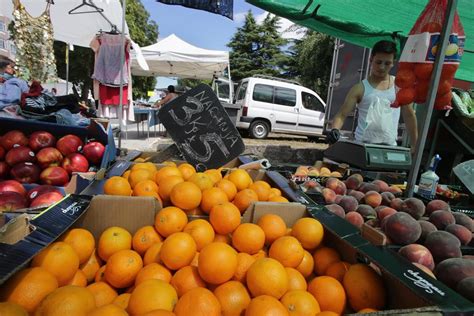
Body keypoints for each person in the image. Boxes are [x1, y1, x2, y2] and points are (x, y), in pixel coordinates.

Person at [328, 40, 418, 154]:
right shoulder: (359, 88)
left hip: (389, 149)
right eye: (378, 62)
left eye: (387, 63)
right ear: (371, 60)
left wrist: (415, 144)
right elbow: (341, 115)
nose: (382, 67)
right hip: (362, 149)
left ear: (393, 63)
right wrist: (334, 130)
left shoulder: (399, 87)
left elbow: (409, 115)